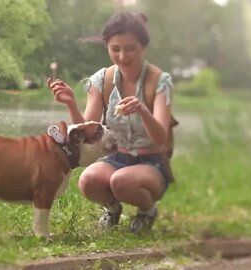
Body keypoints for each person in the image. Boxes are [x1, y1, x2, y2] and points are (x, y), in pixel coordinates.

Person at [47, 11, 174, 233]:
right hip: (115, 158)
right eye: (115, 49)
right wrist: (71, 104)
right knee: (88, 181)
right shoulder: (102, 80)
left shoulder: (159, 82)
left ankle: (147, 210)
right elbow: (89, 131)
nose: (123, 56)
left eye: (130, 48)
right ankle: (113, 210)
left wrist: (142, 110)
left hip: (151, 162)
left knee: (121, 181)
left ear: (143, 47)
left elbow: (161, 138)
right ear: (107, 46)